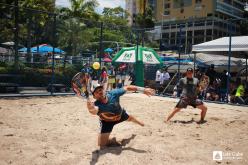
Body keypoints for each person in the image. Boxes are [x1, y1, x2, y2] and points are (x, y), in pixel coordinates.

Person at [86, 85, 155, 147]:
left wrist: (143, 90)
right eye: (96, 92)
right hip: (107, 122)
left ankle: (140, 123)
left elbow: (127, 87)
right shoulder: (96, 105)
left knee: (131, 119)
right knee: (101, 145)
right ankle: (112, 140)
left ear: (104, 90)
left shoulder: (113, 93)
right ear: (94, 96)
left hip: (120, 115)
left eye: (100, 89)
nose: (99, 92)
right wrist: (90, 108)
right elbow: (94, 111)